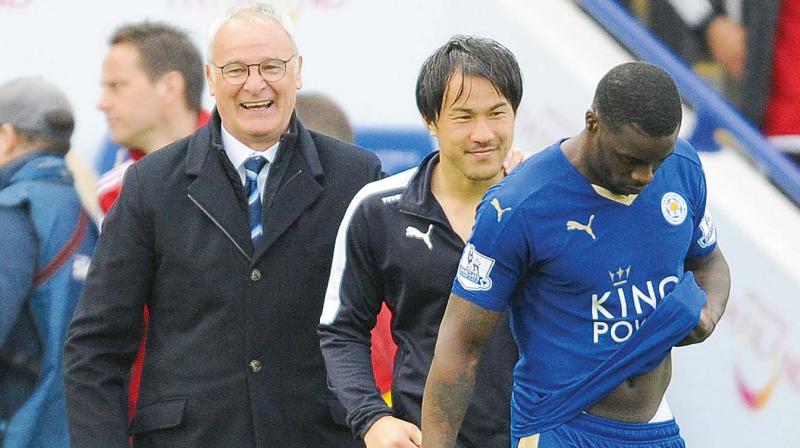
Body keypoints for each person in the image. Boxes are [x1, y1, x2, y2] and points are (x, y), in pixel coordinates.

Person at [63, 3, 382, 447]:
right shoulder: (150, 185)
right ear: (211, 80)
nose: (256, 84)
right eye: (235, 69)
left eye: (272, 66)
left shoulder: (357, 176)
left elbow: (409, 317)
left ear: (298, 72)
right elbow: (95, 348)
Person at [421, 62, 731, 448]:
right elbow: (460, 344)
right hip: (561, 427)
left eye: (657, 161)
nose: (646, 177)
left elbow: (710, 262)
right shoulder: (517, 206)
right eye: (631, 160)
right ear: (593, 123)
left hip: (656, 428)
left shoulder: (682, 168)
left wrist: (708, 312)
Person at [319, 35, 522, 448]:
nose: (483, 133)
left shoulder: (547, 208)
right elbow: (342, 330)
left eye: (497, 113)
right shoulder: (379, 209)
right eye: (463, 117)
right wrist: (372, 418)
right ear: (431, 120)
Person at [0, 77, 98, 448]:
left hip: (21, 427)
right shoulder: (81, 211)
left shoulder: (14, 211)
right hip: (74, 426)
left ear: (7, 136)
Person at [95, 21, 210, 220]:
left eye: (116, 86)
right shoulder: (115, 192)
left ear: (169, 87)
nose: (102, 103)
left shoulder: (246, 161)